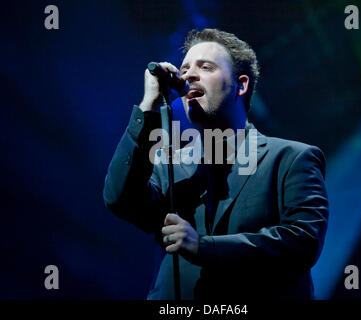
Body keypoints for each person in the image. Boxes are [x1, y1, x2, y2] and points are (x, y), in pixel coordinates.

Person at [103, 28, 328, 300]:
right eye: (184, 69)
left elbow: (302, 242)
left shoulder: (292, 158)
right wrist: (148, 104)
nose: (188, 75)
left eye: (205, 66)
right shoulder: (169, 165)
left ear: (241, 85)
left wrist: (203, 247)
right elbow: (120, 200)